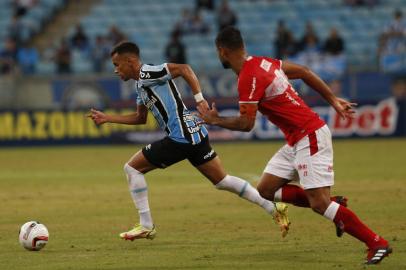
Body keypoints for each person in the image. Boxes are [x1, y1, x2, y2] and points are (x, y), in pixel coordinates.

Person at [198, 26, 392, 265]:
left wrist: (215, 120)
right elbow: (304, 71)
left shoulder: (248, 76)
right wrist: (332, 100)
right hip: (297, 138)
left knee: (320, 204)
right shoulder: (264, 62)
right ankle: (335, 204)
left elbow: (247, 124)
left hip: (309, 135)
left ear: (222, 51)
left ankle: (376, 243)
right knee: (266, 189)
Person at [87, 41, 290, 241]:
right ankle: (273, 208)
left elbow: (184, 68)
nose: (115, 70)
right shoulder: (140, 85)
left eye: (117, 64)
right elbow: (140, 118)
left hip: (181, 137)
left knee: (132, 169)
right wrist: (108, 118)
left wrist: (199, 98)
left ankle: (146, 225)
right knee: (222, 181)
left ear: (130, 61)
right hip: (194, 133)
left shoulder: (148, 73)